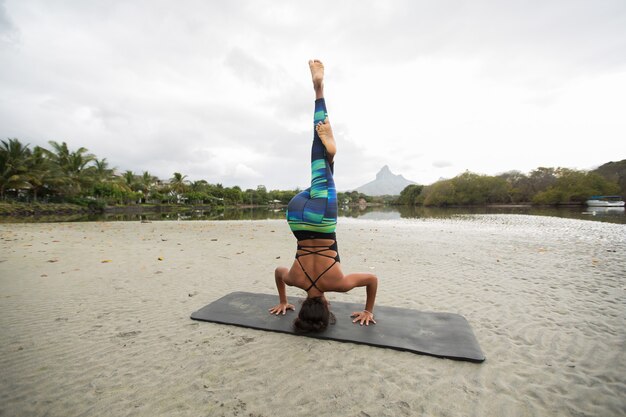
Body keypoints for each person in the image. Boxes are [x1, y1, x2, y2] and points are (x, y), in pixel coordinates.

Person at [269, 60, 378, 332]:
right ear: (303, 306)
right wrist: (283, 300)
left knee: (323, 165)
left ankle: (320, 91)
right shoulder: (295, 279)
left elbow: (372, 280)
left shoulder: (337, 284)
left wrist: (368, 310)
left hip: (323, 218)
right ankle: (328, 155)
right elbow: (278, 273)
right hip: (295, 214)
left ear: (327, 307)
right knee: (321, 167)